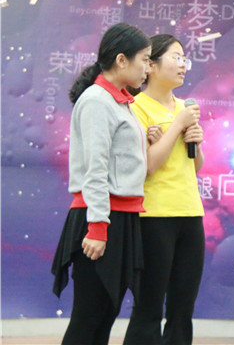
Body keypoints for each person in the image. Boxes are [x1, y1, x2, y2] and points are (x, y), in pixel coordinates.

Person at [51, 23, 151, 345]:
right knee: (89, 317)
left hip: (119, 217)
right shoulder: (97, 100)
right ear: (121, 60)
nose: (147, 68)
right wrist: (97, 227)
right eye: (144, 59)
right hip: (100, 217)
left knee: (105, 314)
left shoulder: (120, 101)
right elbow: (96, 170)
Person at [123, 35, 205, 344]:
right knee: (149, 306)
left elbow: (195, 166)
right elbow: (148, 165)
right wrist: (177, 126)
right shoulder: (137, 108)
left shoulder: (185, 107)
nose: (183, 65)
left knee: (183, 309)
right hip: (153, 216)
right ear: (151, 65)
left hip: (190, 213)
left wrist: (195, 140)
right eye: (176, 57)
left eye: (185, 59)